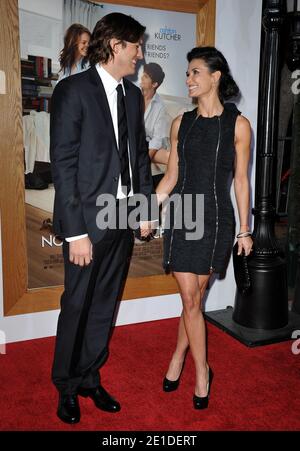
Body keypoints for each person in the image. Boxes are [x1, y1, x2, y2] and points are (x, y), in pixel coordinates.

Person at [50, 12, 153, 424]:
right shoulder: (72, 92)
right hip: (87, 223)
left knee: (104, 303)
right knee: (77, 304)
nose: (140, 54)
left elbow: (140, 155)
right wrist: (75, 233)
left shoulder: (131, 95)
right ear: (116, 46)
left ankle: (90, 377)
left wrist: (144, 209)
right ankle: (67, 386)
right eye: (135, 46)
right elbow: (64, 164)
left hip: (124, 216)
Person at [156, 46, 253, 409]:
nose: (188, 79)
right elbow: (171, 176)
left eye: (195, 72)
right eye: (187, 73)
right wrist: (148, 211)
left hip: (217, 220)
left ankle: (178, 356)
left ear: (216, 77)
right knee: (190, 300)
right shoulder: (182, 122)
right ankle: (201, 371)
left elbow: (241, 181)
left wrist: (245, 229)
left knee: (193, 300)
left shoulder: (239, 125)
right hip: (184, 215)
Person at [140, 62, 170, 188]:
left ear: (154, 84)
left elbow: (157, 138)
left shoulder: (160, 106)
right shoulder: (132, 95)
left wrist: (144, 161)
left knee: (171, 158)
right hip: (131, 141)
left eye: (146, 76)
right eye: (143, 74)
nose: (142, 77)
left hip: (149, 144)